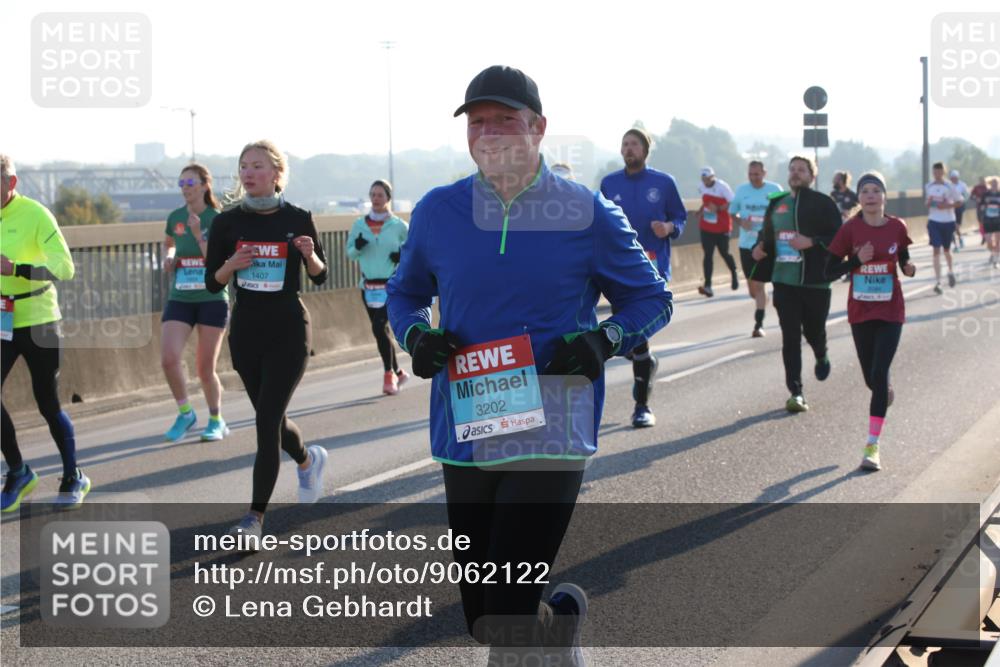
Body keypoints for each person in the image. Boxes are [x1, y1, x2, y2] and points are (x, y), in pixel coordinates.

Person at [388, 65, 673, 666]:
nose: (489, 133)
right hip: (467, 427)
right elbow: (403, 292)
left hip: (552, 423)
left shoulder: (585, 212)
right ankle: (559, 624)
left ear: (538, 128)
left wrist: (607, 339)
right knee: (483, 619)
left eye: (505, 121)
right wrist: (415, 335)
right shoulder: (439, 211)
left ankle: (535, 631)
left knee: (508, 615)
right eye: (478, 122)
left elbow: (653, 297)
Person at [204, 140, 329, 542]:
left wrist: (309, 256)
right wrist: (231, 266)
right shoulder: (227, 222)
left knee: (265, 423)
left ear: (276, 173)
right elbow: (212, 283)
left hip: (289, 329)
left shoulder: (297, 217)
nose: (248, 172)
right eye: (243, 166)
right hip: (247, 332)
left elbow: (320, 275)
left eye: (257, 166)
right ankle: (308, 460)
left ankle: (254, 519)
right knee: (271, 420)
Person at [1, 153, 90, 511]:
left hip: (39, 318)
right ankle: (19, 471)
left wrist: (18, 268)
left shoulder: (35, 214)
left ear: (11, 182)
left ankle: (73, 475)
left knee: (47, 403)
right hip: (2, 319)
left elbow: (65, 268)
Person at [824, 172, 915, 471]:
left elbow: (902, 254)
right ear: (859, 198)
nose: (871, 195)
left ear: (884, 196)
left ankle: (872, 446)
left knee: (879, 371)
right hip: (860, 311)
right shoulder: (850, 229)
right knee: (872, 379)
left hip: (891, 310)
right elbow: (828, 271)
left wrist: (907, 266)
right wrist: (856, 261)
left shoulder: (897, 227)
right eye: (865, 191)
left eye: (876, 190)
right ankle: (883, 386)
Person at [600, 127, 686, 428]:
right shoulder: (609, 184)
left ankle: (641, 406)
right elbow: (598, 225)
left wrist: (669, 227)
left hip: (652, 270)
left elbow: (681, 218)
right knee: (630, 337)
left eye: (634, 144)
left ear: (645, 150)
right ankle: (645, 362)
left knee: (637, 336)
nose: (628, 149)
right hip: (617, 271)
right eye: (624, 144)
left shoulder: (663, 183)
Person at [752, 156, 842, 413]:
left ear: (812, 176)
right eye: (792, 169)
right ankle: (796, 391)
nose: (795, 173)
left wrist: (812, 241)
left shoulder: (824, 203)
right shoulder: (777, 203)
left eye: (801, 170)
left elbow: (839, 236)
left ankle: (821, 352)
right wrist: (760, 248)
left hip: (816, 281)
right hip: (784, 280)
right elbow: (767, 235)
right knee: (790, 336)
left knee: (813, 331)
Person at [161, 164, 230, 442]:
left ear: (204, 185)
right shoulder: (175, 217)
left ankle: (216, 418)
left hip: (211, 297)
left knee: (204, 368)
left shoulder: (217, 218)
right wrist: (169, 256)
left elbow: (217, 259)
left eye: (191, 182)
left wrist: (199, 232)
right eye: (181, 183)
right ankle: (186, 412)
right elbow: (169, 242)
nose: (186, 188)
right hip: (181, 295)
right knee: (168, 359)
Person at [346, 179, 410, 395]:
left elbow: (414, 249)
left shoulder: (399, 226)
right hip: (368, 286)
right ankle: (399, 372)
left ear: (388, 199)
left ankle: (388, 376)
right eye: (372, 194)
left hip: (390, 285)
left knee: (378, 327)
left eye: (380, 195)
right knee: (380, 331)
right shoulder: (359, 225)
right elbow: (350, 253)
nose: (375, 199)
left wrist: (402, 255)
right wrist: (358, 246)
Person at [729, 161, 783, 337]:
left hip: (769, 245)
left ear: (764, 173)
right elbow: (732, 212)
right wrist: (740, 221)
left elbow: (784, 212)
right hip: (747, 245)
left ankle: (758, 324)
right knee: (754, 290)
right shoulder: (742, 190)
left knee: (761, 286)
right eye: (750, 174)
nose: (753, 178)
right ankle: (761, 300)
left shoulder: (775, 189)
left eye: (757, 174)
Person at [695, 166, 738, 297]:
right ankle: (708, 286)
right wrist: (701, 211)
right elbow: (706, 201)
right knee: (708, 255)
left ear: (713, 177)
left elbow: (733, 202)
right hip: (707, 226)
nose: (705, 182)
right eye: (703, 179)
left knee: (724, 252)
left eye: (708, 179)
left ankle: (734, 273)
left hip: (722, 226)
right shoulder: (701, 186)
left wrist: (719, 208)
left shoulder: (722, 187)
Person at [925, 162, 961, 294]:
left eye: (939, 172)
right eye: (935, 172)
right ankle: (938, 281)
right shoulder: (928, 186)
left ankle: (950, 271)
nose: (937, 174)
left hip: (948, 221)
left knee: (946, 250)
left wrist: (946, 206)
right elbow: (927, 202)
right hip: (934, 221)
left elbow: (960, 202)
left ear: (943, 172)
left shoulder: (950, 186)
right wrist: (929, 203)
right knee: (936, 250)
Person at [949, 169, 970, 251]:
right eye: (952, 178)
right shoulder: (948, 185)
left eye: (955, 177)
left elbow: (967, 195)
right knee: (951, 227)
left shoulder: (962, 185)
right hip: (950, 207)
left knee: (956, 227)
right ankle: (955, 245)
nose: (954, 179)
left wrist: (961, 201)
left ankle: (960, 238)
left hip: (959, 207)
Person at [981, 176, 1000, 268]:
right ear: (990, 184)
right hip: (987, 220)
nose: (994, 185)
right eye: (993, 183)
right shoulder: (985, 194)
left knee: (998, 241)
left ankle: (996, 260)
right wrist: (983, 206)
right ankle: (993, 253)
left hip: (998, 220)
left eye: (996, 183)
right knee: (989, 242)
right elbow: (980, 205)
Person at [971, 175, 988, 246]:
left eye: (983, 180)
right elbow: (971, 196)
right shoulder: (976, 187)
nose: (982, 182)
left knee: (987, 222)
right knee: (981, 222)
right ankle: (983, 236)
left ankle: (987, 236)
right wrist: (976, 199)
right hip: (979, 208)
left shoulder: (987, 188)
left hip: (988, 208)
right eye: (981, 180)